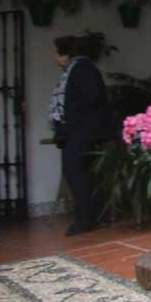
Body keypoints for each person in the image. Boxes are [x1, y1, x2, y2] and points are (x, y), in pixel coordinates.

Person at [49, 35, 115, 235]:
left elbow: (91, 98)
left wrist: (71, 122)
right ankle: (88, 217)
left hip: (81, 133)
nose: (54, 57)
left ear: (65, 53)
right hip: (76, 132)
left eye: (56, 52)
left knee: (78, 174)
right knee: (77, 174)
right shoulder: (74, 70)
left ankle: (86, 219)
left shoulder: (82, 69)